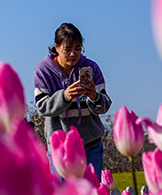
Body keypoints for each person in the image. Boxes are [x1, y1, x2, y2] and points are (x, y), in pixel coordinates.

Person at [33, 22, 112, 177]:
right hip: (59, 146)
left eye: (77, 49)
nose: (73, 54)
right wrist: (65, 96)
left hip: (90, 144)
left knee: (91, 193)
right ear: (56, 47)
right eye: (67, 50)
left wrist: (94, 97)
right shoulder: (43, 71)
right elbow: (42, 107)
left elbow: (105, 105)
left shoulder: (91, 68)